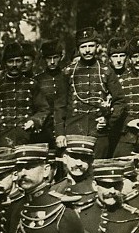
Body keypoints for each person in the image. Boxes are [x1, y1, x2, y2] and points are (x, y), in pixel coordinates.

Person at [54, 27, 127, 158]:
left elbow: (120, 101)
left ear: (97, 47)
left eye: (91, 46)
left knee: (98, 172)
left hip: (99, 134)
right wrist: (60, 133)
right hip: (74, 131)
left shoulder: (106, 71)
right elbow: (60, 106)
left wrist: (108, 120)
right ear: (78, 48)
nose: (87, 50)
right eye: (83, 47)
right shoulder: (67, 72)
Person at [0, 43, 50, 147]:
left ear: (22, 62)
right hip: (3, 138)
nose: (14, 65)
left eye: (18, 61)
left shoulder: (32, 85)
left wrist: (34, 121)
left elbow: (44, 109)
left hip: (27, 137)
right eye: (10, 61)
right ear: (5, 64)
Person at [112, 36, 139, 157]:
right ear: (129, 59)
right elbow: (115, 108)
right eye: (134, 56)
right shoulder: (120, 80)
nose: (138, 60)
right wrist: (127, 122)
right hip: (126, 135)